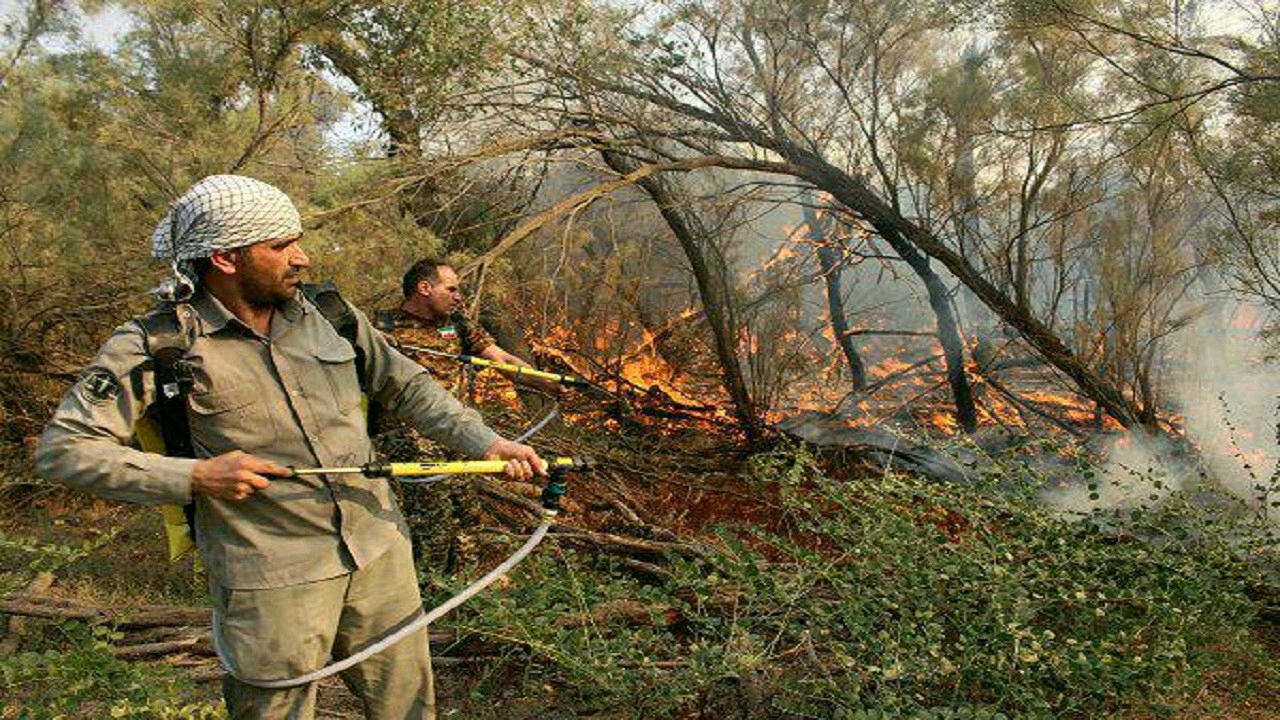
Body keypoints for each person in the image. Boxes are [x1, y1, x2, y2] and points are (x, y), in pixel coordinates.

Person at [34, 174, 544, 720]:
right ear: (225, 258)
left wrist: (488, 441)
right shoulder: (156, 343)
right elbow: (66, 449)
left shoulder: (330, 314)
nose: (301, 258)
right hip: (269, 576)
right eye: (280, 246)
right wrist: (194, 477)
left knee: (411, 709)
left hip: (380, 552)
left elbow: (408, 384)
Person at [375, 258, 557, 573]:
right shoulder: (382, 327)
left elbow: (501, 359)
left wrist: (543, 381)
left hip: (458, 435)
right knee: (432, 522)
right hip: (409, 438)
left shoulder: (458, 324)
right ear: (424, 288)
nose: (459, 296)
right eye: (452, 289)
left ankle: (463, 590)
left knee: (466, 516)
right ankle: (430, 596)